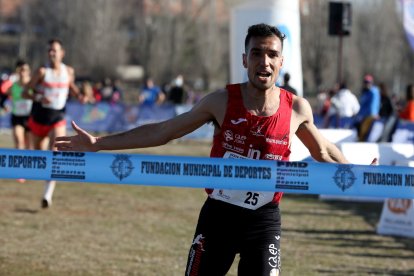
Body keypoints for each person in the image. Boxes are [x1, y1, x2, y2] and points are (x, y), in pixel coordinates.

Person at [55, 24, 369, 275]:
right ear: (245, 59)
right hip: (219, 217)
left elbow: (324, 152)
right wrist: (98, 143)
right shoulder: (221, 102)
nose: (265, 61)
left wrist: (363, 176)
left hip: (264, 220)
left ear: (281, 62)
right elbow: (164, 131)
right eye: (256, 53)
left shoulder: (296, 108)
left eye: (272, 54)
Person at [23, 38, 83, 208]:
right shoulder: (42, 72)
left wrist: (80, 96)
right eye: (49, 50)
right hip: (38, 118)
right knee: (40, 156)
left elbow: (71, 86)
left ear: (62, 53)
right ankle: (44, 184)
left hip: (57, 118)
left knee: (55, 154)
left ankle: (47, 196)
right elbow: (25, 92)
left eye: (55, 50)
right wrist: (39, 97)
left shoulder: (68, 71)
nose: (51, 53)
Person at [5, 60, 33, 154]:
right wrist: (3, 105)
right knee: (19, 143)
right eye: (21, 70)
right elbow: (3, 95)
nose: (23, 72)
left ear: (29, 71)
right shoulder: (13, 85)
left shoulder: (32, 85)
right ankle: (19, 168)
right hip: (17, 117)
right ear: (18, 71)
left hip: (30, 118)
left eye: (25, 70)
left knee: (30, 147)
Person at [353, 74, 380, 141]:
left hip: (370, 116)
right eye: (365, 82)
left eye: (368, 82)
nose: (366, 84)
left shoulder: (373, 92)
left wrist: (373, 114)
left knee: (363, 131)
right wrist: (358, 114)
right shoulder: (365, 92)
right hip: (363, 116)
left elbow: (373, 105)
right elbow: (362, 105)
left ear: (371, 83)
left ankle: (361, 142)